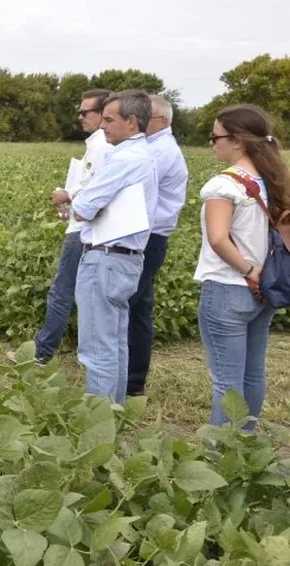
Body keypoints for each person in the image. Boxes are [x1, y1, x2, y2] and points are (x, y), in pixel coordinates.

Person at [195, 104, 290, 428]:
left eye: (215, 136)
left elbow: (219, 239)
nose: (212, 143)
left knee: (226, 382)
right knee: (253, 374)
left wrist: (248, 270)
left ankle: (222, 460)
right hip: (264, 291)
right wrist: (259, 274)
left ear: (237, 141)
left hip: (228, 288)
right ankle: (245, 446)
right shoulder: (272, 180)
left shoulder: (224, 185)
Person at [71, 90, 157, 404]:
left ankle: (100, 419)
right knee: (116, 341)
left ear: (131, 122)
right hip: (124, 258)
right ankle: (115, 411)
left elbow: (84, 206)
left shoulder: (125, 158)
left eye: (109, 119)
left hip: (106, 257)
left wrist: (81, 201)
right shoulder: (143, 155)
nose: (102, 126)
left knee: (97, 347)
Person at [31, 90, 112, 365]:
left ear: (103, 114)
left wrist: (68, 196)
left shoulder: (101, 146)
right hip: (85, 225)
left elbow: (95, 189)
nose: (80, 117)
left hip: (82, 230)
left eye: (85, 112)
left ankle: (42, 352)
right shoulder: (98, 144)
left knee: (62, 291)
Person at [126, 95, 189, 396]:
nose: (136, 120)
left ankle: (128, 379)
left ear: (161, 121)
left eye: (143, 116)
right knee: (139, 310)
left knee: (126, 304)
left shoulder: (161, 151)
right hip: (149, 236)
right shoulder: (154, 148)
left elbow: (133, 188)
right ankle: (133, 379)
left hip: (149, 238)